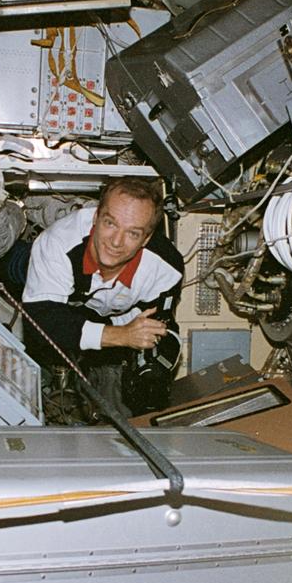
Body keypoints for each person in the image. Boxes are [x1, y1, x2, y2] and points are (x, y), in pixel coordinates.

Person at [21, 178, 184, 415]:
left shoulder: (165, 267)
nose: (116, 242)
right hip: (63, 302)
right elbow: (40, 323)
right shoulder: (58, 243)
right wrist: (120, 336)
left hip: (119, 314)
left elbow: (160, 327)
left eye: (133, 233)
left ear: (146, 239)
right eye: (110, 223)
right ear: (96, 217)